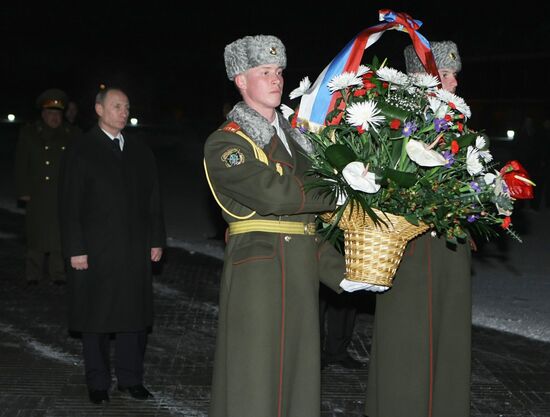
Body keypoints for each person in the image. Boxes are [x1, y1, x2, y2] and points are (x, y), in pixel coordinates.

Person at [203, 35, 352, 417]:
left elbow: (307, 229)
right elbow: (275, 194)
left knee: (298, 382)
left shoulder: (297, 142)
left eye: (280, 72)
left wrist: (346, 275)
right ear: (240, 80)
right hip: (258, 278)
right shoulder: (225, 143)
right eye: (264, 72)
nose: (276, 79)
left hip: (300, 280)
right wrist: (337, 191)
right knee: (254, 383)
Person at [365, 41, 472, 417]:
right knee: (405, 355)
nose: (455, 83)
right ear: (422, 80)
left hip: (450, 256)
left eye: (455, 75)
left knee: (450, 348)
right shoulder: (394, 124)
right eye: (446, 75)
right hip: (406, 253)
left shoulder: (457, 129)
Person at [59, 87, 166, 405]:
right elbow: (69, 205)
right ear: (99, 110)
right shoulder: (80, 150)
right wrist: (76, 248)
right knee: (96, 318)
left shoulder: (140, 152)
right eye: (116, 106)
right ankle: (98, 382)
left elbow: (154, 200)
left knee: (133, 318)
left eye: (126, 106)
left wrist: (157, 239)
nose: (123, 111)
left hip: (134, 251)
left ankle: (131, 379)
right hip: (96, 252)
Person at [14, 88, 79, 285]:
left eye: (58, 113)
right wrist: (23, 191)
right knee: (36, 235)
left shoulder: (71, 134)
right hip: (38, 193)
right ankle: (33, 273)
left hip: (61, 194)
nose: (54, 117)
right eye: (50, 113)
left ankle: (58, 273)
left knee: (59, 236)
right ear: (43, 114)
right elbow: (20, 164)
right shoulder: (30, 133)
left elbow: (80, 163)